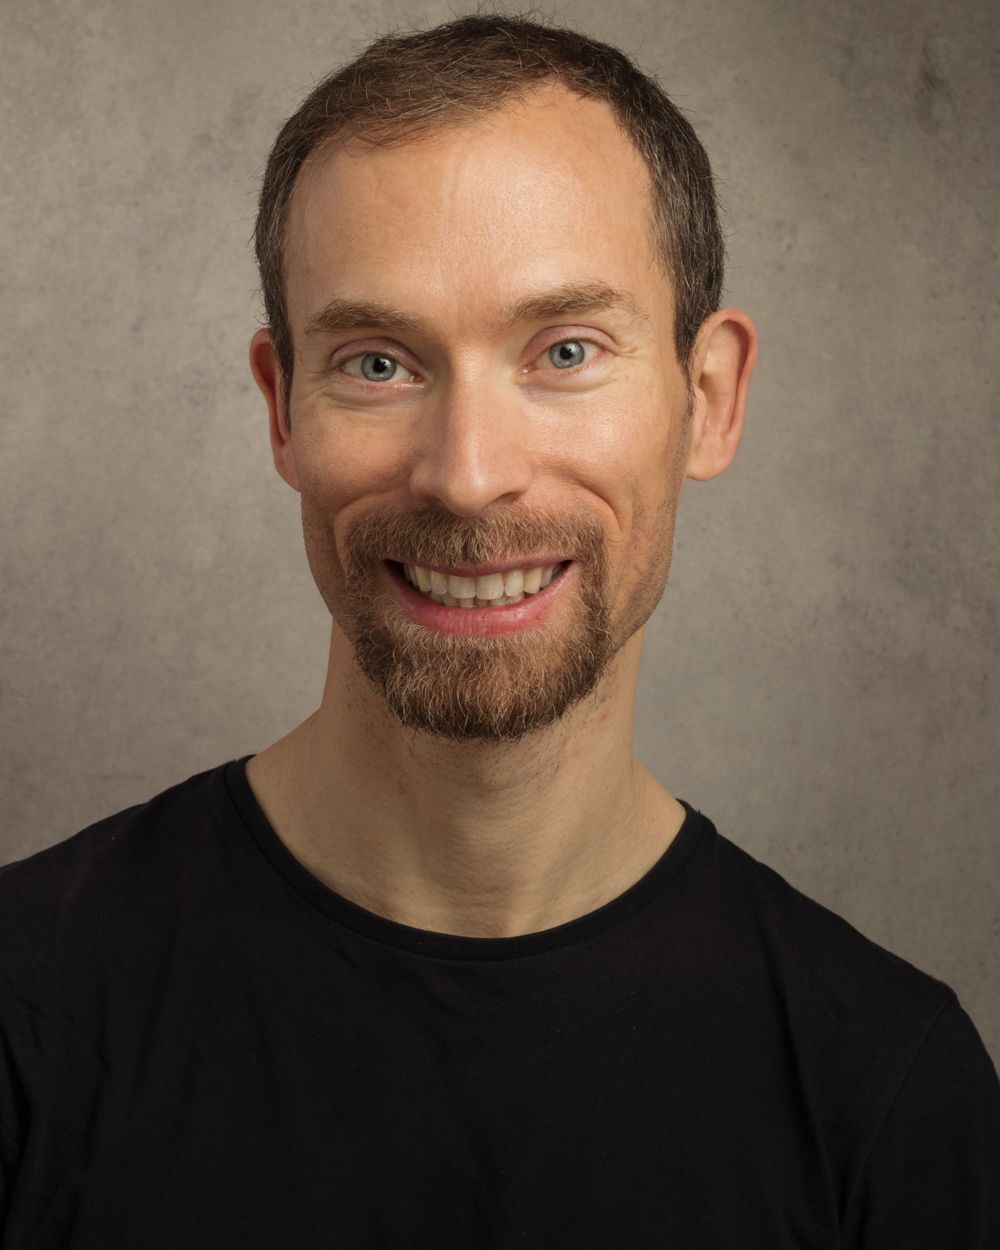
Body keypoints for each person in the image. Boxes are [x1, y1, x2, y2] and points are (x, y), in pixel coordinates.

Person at [1, 12, 997, 1247]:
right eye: (378, 363)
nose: (468, 477)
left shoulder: (890, 1095)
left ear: (707, 398)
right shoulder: (24, 1010)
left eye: (564, 350)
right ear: (282, 409)